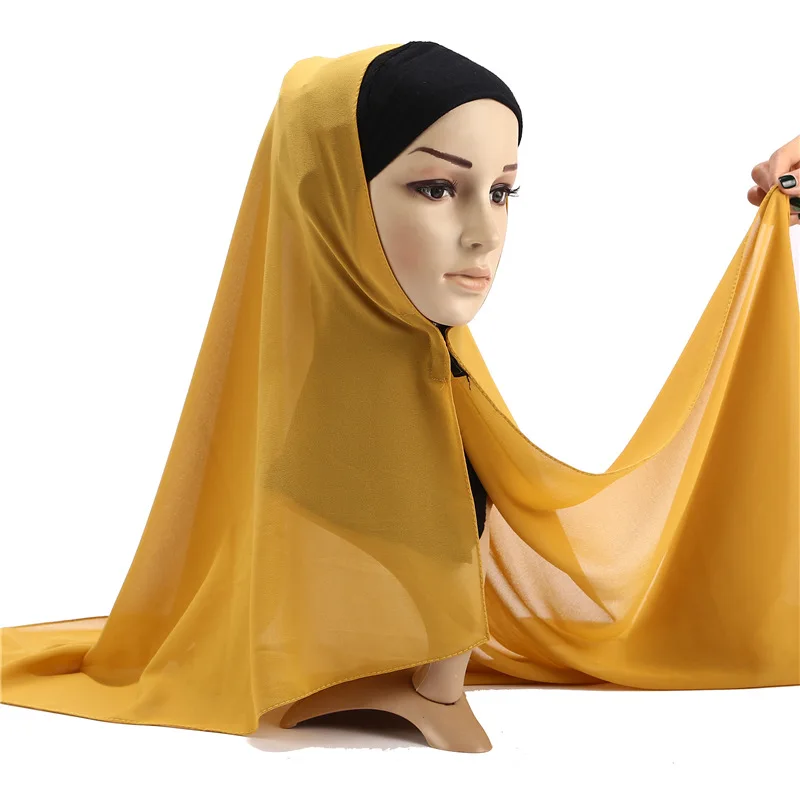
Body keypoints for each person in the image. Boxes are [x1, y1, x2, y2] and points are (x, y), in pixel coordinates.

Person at [1, 41, 797, 743]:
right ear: (329, 196)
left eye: (503, 191)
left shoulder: (446, 404)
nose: (484, 233)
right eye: (437, 188)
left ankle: (425, 683)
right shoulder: (308, 425)